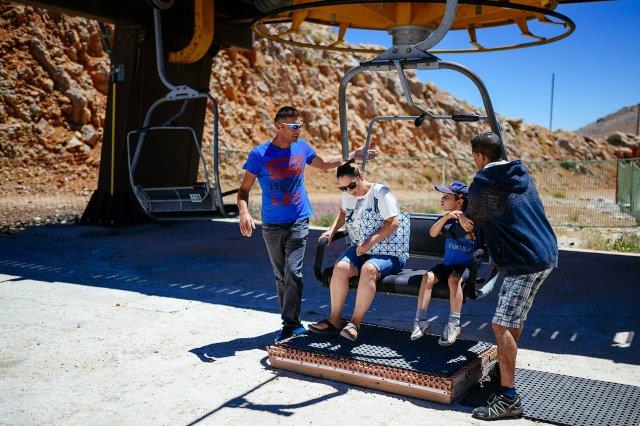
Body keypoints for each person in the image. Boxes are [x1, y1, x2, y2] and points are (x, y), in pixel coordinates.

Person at [237, 106, 375, 343]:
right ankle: (290, 322)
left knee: (293, 272)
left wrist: (353, 154)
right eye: (293, 126)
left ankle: (290, 324)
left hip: (299, 221)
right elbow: (243, 191)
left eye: (299, 126)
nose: (297, 130)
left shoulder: (301, 148)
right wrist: (244, 212)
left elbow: (324, 162)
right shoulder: (259, 154)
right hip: (271, 225)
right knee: (282, 276)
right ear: (278, 126)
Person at [455, 132, 558, 421]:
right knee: (513, 320)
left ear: (480, 156)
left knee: (501, 325)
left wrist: (460, 218)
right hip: (545, 253)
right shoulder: (521, 174)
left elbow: (474, 224)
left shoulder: (482, 183)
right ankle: (503, 369)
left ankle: (509, 398)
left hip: (522, 260)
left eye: (474, 157)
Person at [308, 160, 406, 341]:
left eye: (351, 185)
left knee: (369, 269)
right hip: (362, 248)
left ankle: (355, 324)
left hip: (388, 251)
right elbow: (343, 212)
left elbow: (394, 222)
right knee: (340, 268)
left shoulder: (380, 192)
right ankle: (334, 320)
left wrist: (369, 242)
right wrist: (332, 230)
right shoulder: (348, 194)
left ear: (361, 176)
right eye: (342, 188)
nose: (348, 191)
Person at [410, 181, 477, 346]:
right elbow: (433, 233)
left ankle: (454, 324)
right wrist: (447, 216)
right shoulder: (447, 219)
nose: (442, 199)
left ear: (459, 201)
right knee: (428, 277)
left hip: (466, 266)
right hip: (448, 264)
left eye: (447, 196)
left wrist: (461, 216)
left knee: (454, 279)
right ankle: (421, 320)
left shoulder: (471, 219)